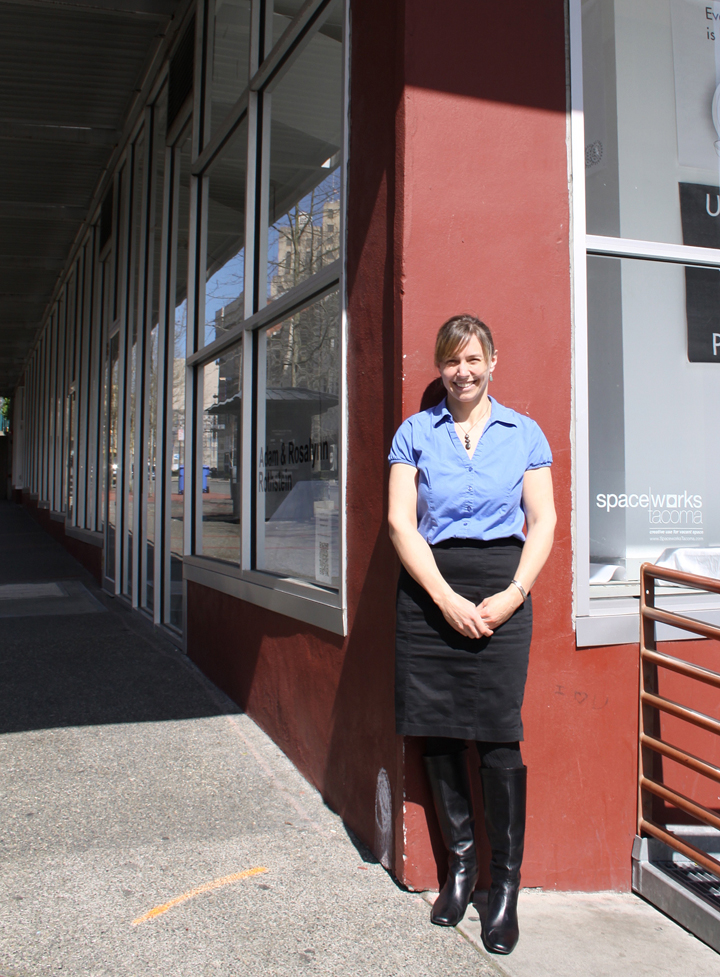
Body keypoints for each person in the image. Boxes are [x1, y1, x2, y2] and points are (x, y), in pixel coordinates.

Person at [387, 314, 556, 955]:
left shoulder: (525, 433)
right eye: (451, 361)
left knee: (496, 735)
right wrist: (443, 597)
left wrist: (512, 595)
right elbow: (403, 524)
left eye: (473, 359)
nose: (463, 372)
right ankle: (459, 868)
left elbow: (542, 522)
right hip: (432, 588)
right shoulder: (415, 433)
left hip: (501, 590)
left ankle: (502, 888)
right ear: (439, 367)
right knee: (437, 727)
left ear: (493, 362)